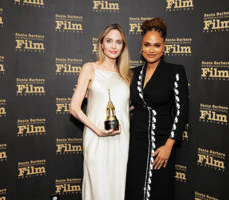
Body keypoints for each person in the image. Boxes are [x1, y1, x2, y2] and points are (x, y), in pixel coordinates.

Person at [125, 18, 189, 200]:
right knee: (135, 189)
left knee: (160, 191)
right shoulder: (133, 73)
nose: (151, 50)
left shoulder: (175, 72)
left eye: (157, 45)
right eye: (147, 45)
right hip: (135, 144)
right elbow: (123, 100)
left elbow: (182, 111)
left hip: (161, 145)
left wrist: (169, 145)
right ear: (141, 47)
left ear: (164, 47)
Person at [69, 24, 132, 200]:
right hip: (97, 139)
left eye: (118, 42)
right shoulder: (90, 68)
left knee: (117, 189)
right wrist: (98, 130)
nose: (113, 46)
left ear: (123, 46)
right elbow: (74, 107)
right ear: (101, 44)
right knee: (98, 190)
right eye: (109, 41)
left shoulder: (127, 74)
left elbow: (126, 105)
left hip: (121, 141)